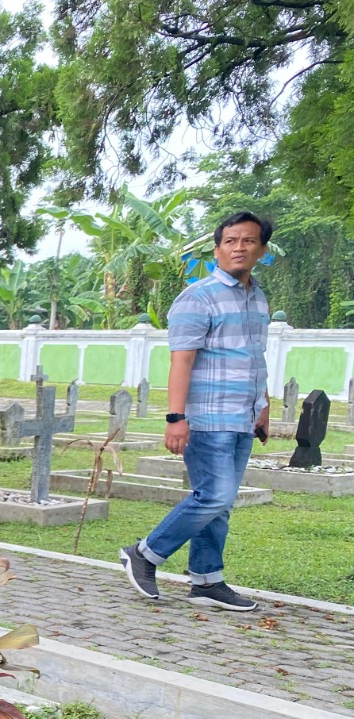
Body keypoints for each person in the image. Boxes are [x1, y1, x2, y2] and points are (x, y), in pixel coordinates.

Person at [120, 212, 273, 613]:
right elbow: (181, 361)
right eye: (231, 241)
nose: (239, 247)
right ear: (217, 248)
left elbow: (255, 358)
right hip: (207, 415)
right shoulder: (198, 296)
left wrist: (264, 405)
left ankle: (207, 580)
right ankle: (146, 552)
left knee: (221, 502)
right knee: (214, 495)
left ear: (262, 249)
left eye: (249, 241)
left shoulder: (257, 297)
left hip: (243, 414)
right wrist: (176, 417)